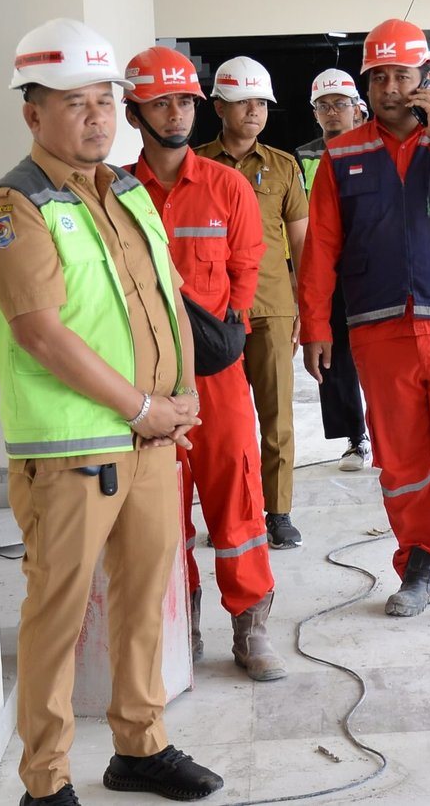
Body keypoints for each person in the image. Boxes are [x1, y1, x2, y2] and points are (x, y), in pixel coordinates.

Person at [0, 19, 222, 804]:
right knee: (59, 613)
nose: (97, 117)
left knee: (144, 598)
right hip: (75, 450)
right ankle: (44, 780)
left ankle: (140, 745)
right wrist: (144, 405)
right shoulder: (15, 206)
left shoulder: (127, 192)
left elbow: (163, 301)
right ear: (32, 113)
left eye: (105, 100)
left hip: (150, 440)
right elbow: (41, 332)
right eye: (74, 103)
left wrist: (181, 397)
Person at [299, 20, 430, 619]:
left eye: (402, 76)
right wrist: (315, 326)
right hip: (379, 327)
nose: (390, 88)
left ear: (426, 78)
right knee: (402, 459)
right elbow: (321, 248)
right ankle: (420, 564)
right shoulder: (342, 155)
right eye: (379, 77)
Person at [121, 46, 286, 682]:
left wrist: (226, 332)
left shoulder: (227, 186)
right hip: (145, 383)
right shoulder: (118, 194)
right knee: (162, 507)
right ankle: (180, 620)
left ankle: (251, 621)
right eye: (161, 102)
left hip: (216, 375)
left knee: (236, 493)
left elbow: (246, 268)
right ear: (135, 114)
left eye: (185, 101)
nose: (176, 113)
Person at [195, 57, 309, 550]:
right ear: (220, 107)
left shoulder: (283, 167)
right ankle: (229, 511)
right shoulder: (196, 165)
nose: (254, 111)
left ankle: (278, 512)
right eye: (243, 102)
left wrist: (306, 308)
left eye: (261, 102)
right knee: (221, 423)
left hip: (272, 307)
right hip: (213, 311)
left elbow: (301, 243)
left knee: (277, 417)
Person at [295, 68, 372, 472]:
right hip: (325, 264)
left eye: (339, 104)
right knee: (332, 354)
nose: (332, 112)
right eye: (323, 106)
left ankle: (389, 429)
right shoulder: (303, 157)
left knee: (379, 352)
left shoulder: (374, 147)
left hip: (369, 262)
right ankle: (354, 437)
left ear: (357, 108)